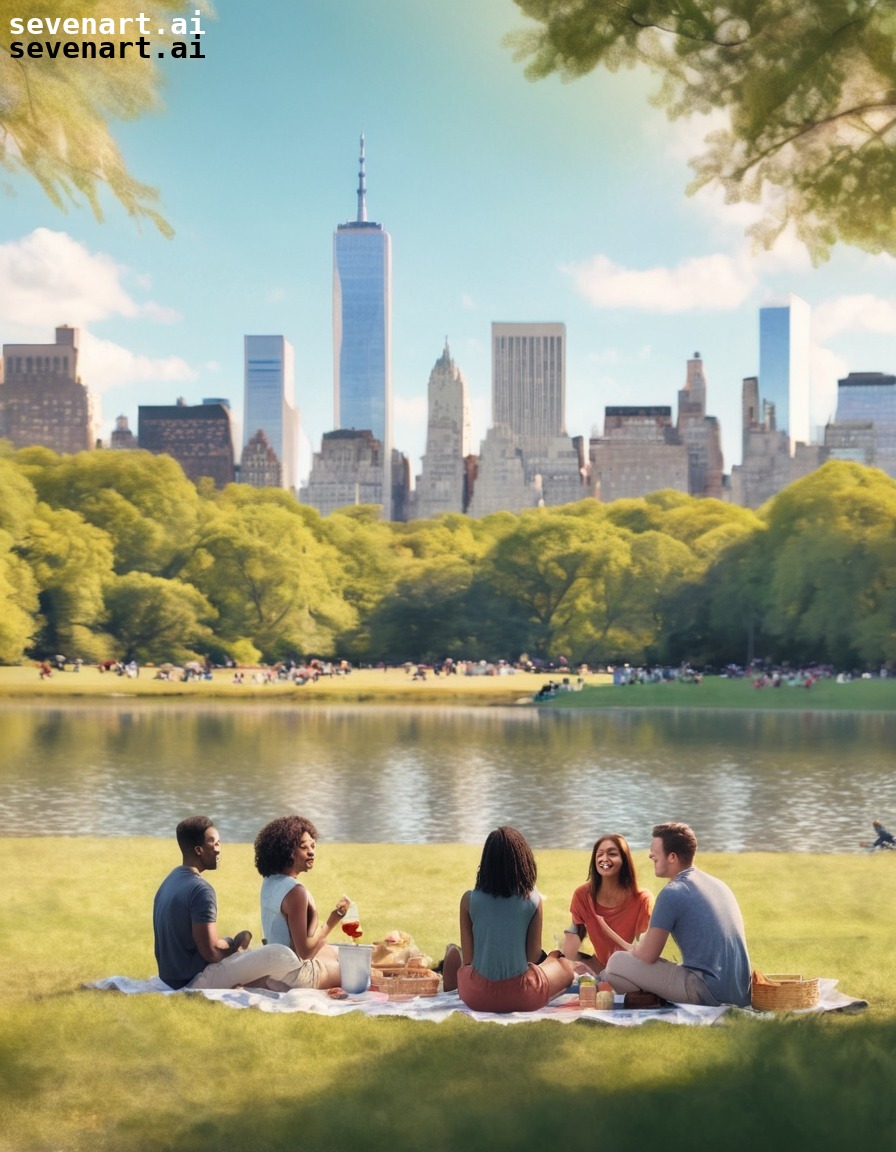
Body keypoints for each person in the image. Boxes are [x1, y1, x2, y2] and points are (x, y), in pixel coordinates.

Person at [153, 815, 311, 991]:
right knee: (279, 954)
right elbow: (211, 953)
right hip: (194, 980)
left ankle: (238, 952)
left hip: (169, 977)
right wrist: (236, 950)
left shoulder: (170, 881)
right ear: (199, 850)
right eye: (214, 843)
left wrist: (230, 945)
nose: (219, 849)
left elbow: (196, 941)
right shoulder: (201, 890)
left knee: (229, 941)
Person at [602, 822, 751, 1008]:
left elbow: (647, 955)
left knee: (616, 964)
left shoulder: (673, 892)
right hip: (740, 992)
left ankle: (652, 1001)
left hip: (708, 992)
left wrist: (635, 950)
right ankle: (659, 995)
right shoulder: (719, 885)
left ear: (672, 857)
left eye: (654, 852)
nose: (650, 855)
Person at [442, 826, 574, 1012]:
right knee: (564, 965)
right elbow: (532, 956)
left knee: (460, 958)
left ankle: (452, 959)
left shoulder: (468, 900)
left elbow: (470, 960)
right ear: (523, 861)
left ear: (486, 862)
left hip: (475, 996)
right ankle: (555, 960)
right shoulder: (533, 899)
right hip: (522, 996)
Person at [254, 815, 351, 989]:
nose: (311, 851)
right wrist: (334, 918)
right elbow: (304, 952)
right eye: (303, 847)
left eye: (313, 846)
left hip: (274, 970)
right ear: (286, 851)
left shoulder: (269, 881)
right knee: (358, 968)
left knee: (346, 953)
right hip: (296, 976)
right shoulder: (296, 892)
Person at [567, 833, 653, 974]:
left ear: (624, 859)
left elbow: (641, 952)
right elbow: (575, 936)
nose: (604, 859)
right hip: (597, 968)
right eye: (599, 854)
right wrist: (568, 962)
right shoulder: (582, 895)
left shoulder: (642, 899)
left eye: (612, 854)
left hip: (631, 972)